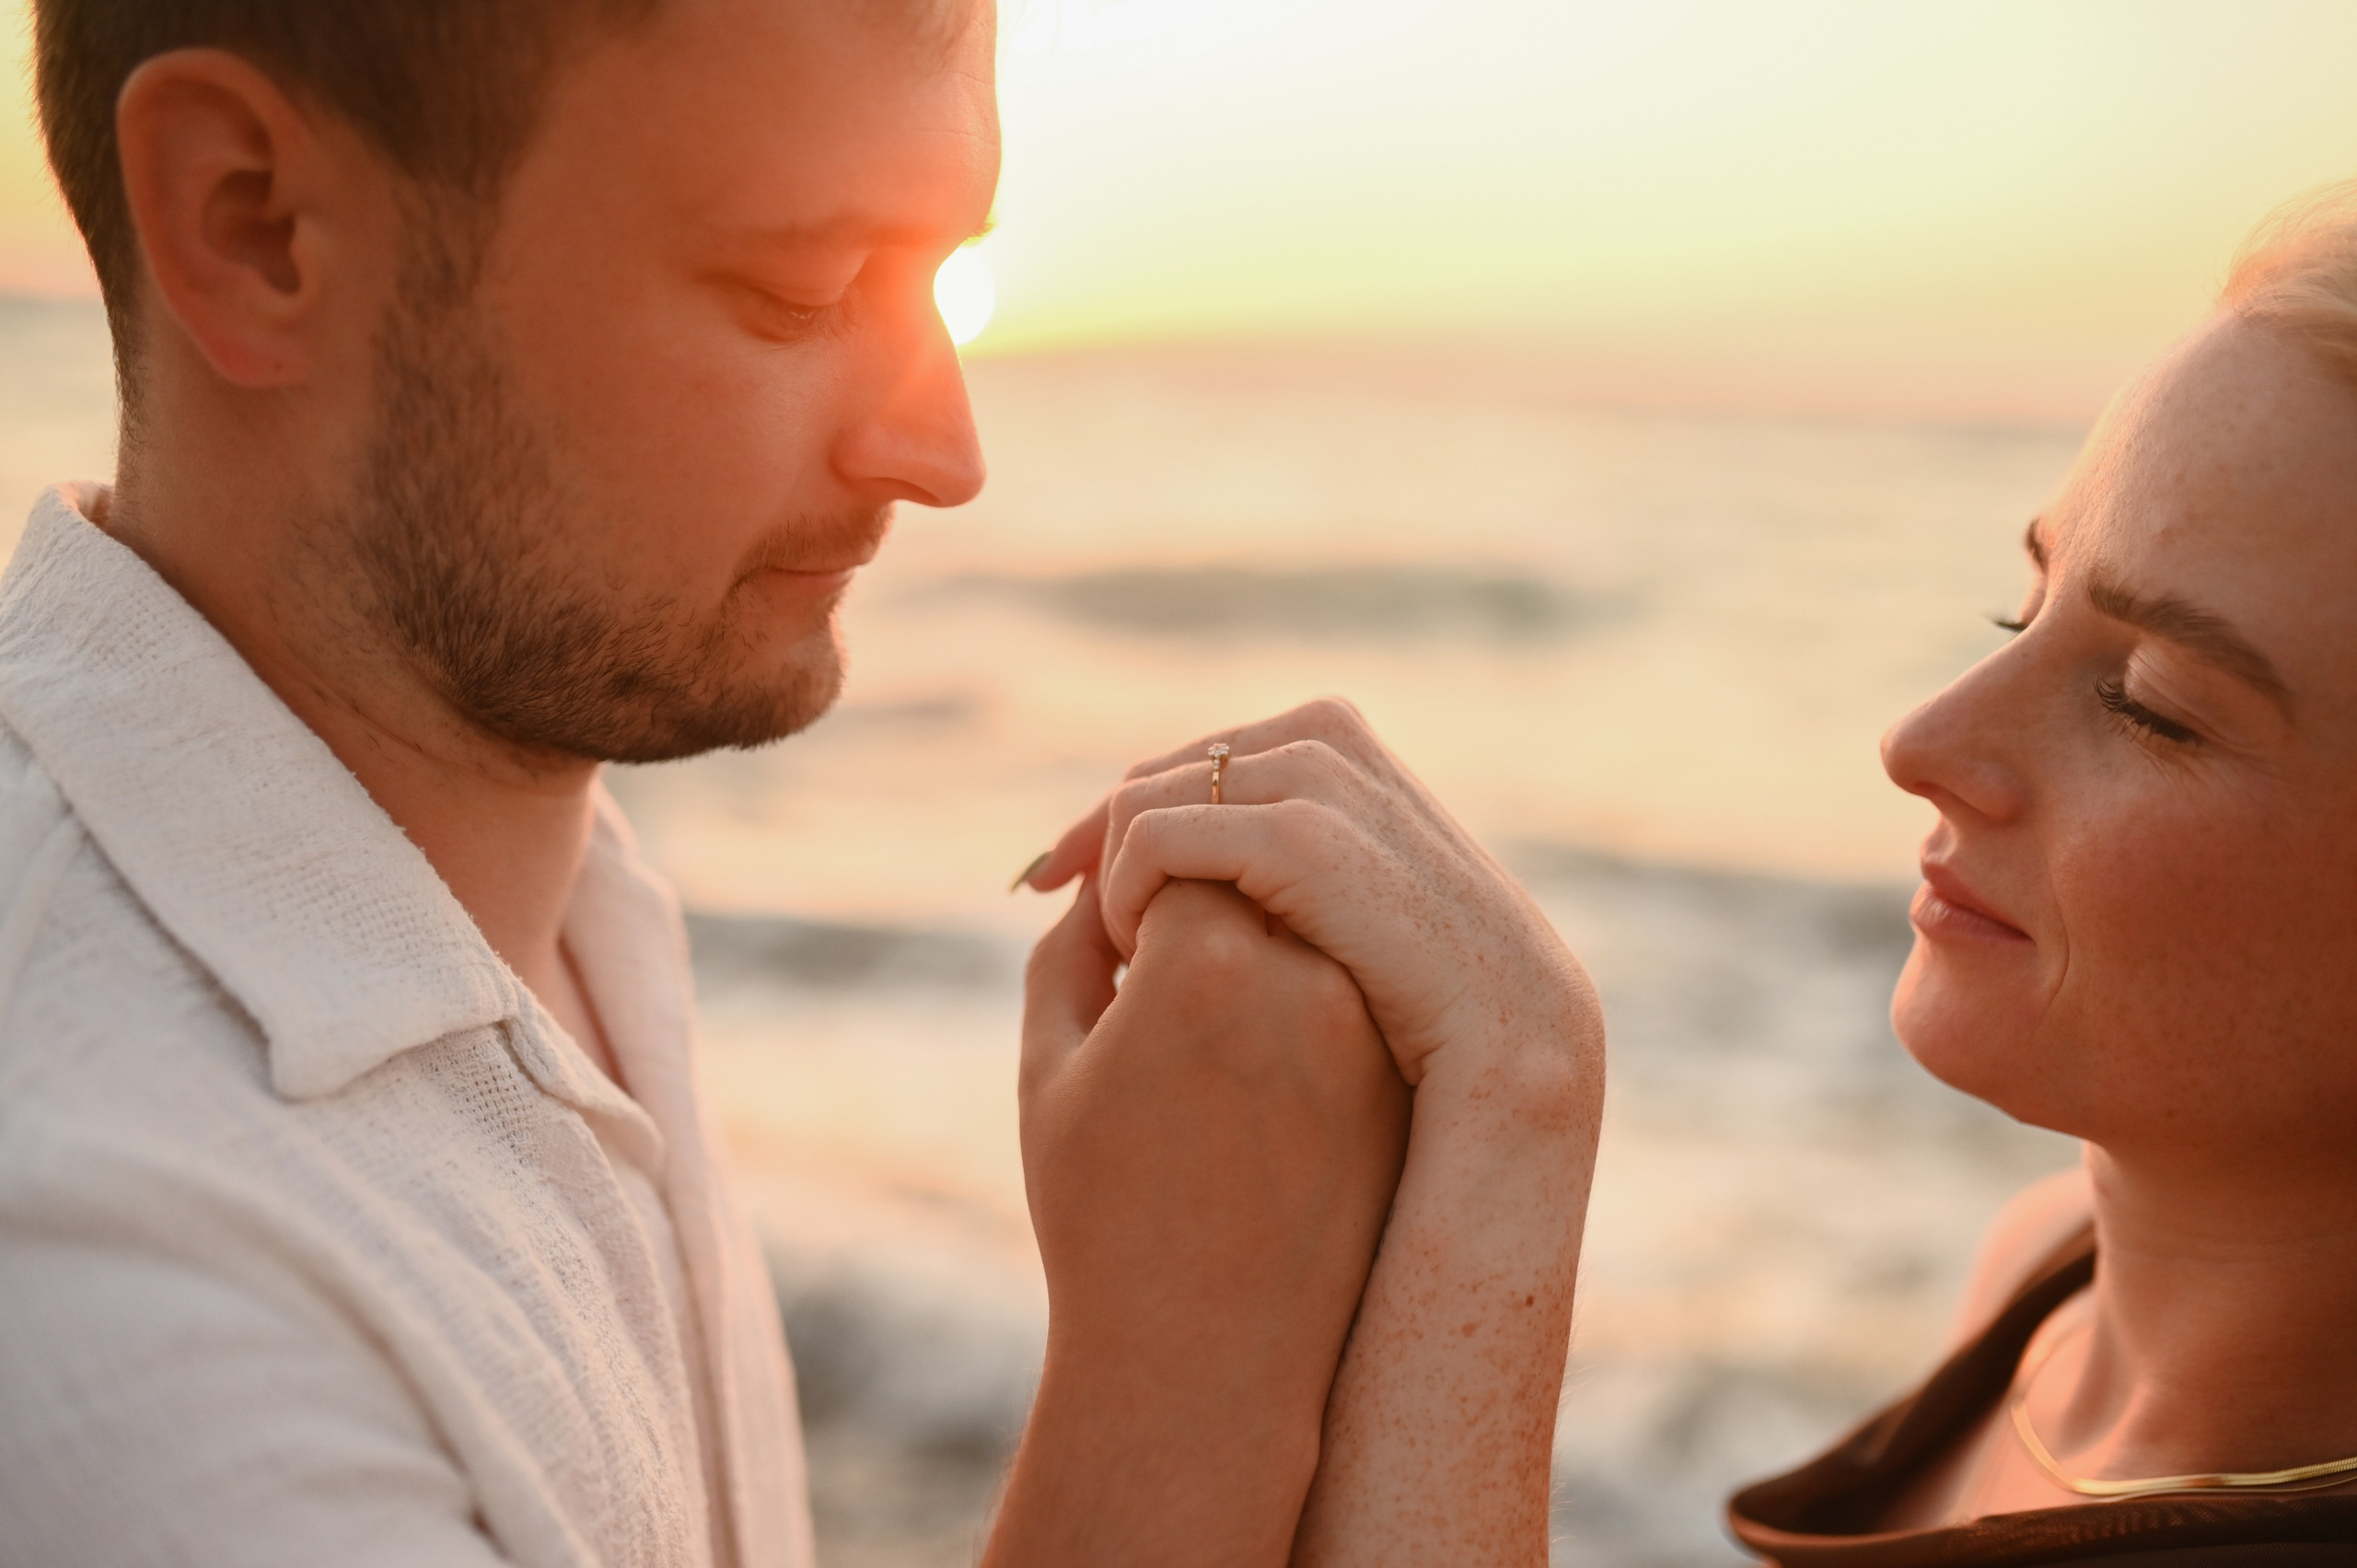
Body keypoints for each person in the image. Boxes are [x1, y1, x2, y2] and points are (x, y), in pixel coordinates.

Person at [0, 0, 1597, 1563]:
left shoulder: (523, 867)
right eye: (801, 287)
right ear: (254, 224)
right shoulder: (105, 1254)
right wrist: (1181, 1376)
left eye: (942, 276)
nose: (943, 451)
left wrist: (1511, 1129)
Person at [1052, 186, 2357, 1562]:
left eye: (2151, 702)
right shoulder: (2044, 1286)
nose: (1925, 742)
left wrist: (1514, 1104)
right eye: (2021, 608)